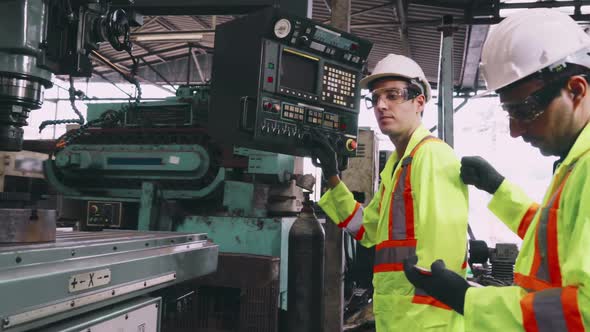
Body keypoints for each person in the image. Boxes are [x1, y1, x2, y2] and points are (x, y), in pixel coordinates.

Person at [403, 8, 590, 331]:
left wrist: (469, 299)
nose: (515, 130)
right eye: (507, 111)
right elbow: (558, 236)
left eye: (525, 110)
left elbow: (583, 312)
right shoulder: (576, 162)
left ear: (575, 90)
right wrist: (499, 189)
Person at [309, 54, 469, 331]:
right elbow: (368, 229)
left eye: (393, 95)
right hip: (398, 316)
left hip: (425, 322)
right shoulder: (399, 164)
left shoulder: (431, 155)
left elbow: (445, 257)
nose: (381, 105)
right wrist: (332, 175)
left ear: (419, 102)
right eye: (376, 97)